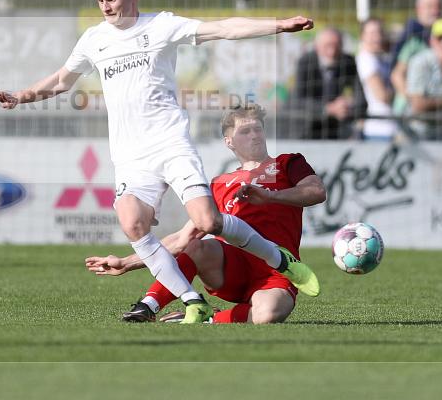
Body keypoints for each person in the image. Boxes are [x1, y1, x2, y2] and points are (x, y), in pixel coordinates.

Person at [0, 0, 319, 324]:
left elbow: (224, 28)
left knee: (208, 222)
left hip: (170, 143)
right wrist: (19, 96)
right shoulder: (94, 39)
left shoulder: (161, 25)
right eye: (101, 0)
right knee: (132, 224)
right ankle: (193, 301)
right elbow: (60, 81)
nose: (107, 7)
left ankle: (280, 260)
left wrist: (278, 25)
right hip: (131, 155)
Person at [85, 105, 326, 324]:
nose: (254, 135)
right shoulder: (220, 184)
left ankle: (206, 319)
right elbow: (183, 238)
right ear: (229, 141)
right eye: (245, 131)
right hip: (231, 268)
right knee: (197, 246)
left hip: (277, 271)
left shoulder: (287, 163)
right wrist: (126, 262)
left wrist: (270, 196)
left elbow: (316, 191)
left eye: (258, 129)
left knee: (268, 314)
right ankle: (149, 305)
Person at [287, 27, 366, 139]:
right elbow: (298, 101)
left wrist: (347, 105)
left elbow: (362, 101)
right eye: (327, 46)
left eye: (336, 46)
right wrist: (328, 108)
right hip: (303, 130)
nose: (332, 52)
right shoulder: (305, 62)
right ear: (317, 47)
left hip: (333, 131)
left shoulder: (348, 62)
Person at [390, 0, 442, 115]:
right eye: (430, 6)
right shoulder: (412, 37)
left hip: (438, 112)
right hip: (411, 115)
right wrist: (415, 102)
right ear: (418, 9)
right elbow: (397, 75)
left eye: (439, 6)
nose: (435, 11)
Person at [355, 18, 396, 140]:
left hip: (389, 126)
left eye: (380, 32)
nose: (378, 37)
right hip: (380, 129)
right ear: (362, 36)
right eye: (372, 34)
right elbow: (382, 95)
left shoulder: (380, 57)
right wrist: (403, 90)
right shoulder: (366, 59)